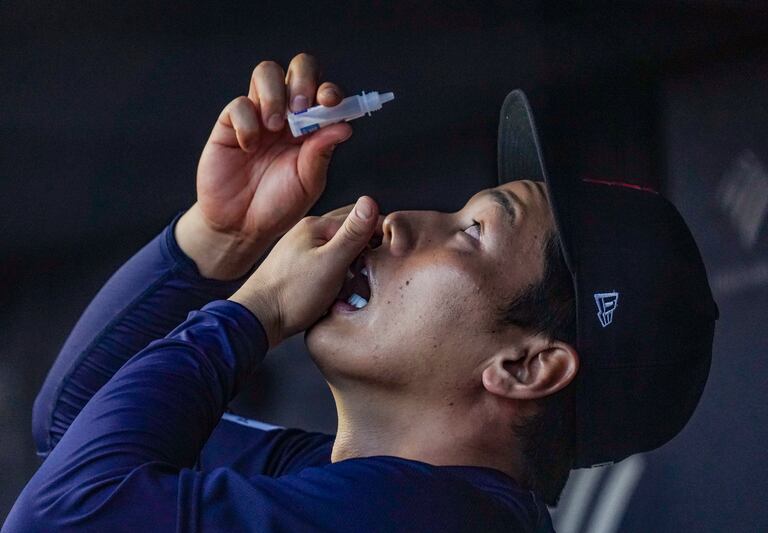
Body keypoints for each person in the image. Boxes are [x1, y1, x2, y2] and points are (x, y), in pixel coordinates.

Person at [3, 53, 717, 533]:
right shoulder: (381, 488)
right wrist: (221, 237)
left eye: (471, 233)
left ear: (526, 365)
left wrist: (260, 308)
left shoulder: (423, 519)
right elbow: (74, 421)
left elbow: (63, 516)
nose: (396, 222)